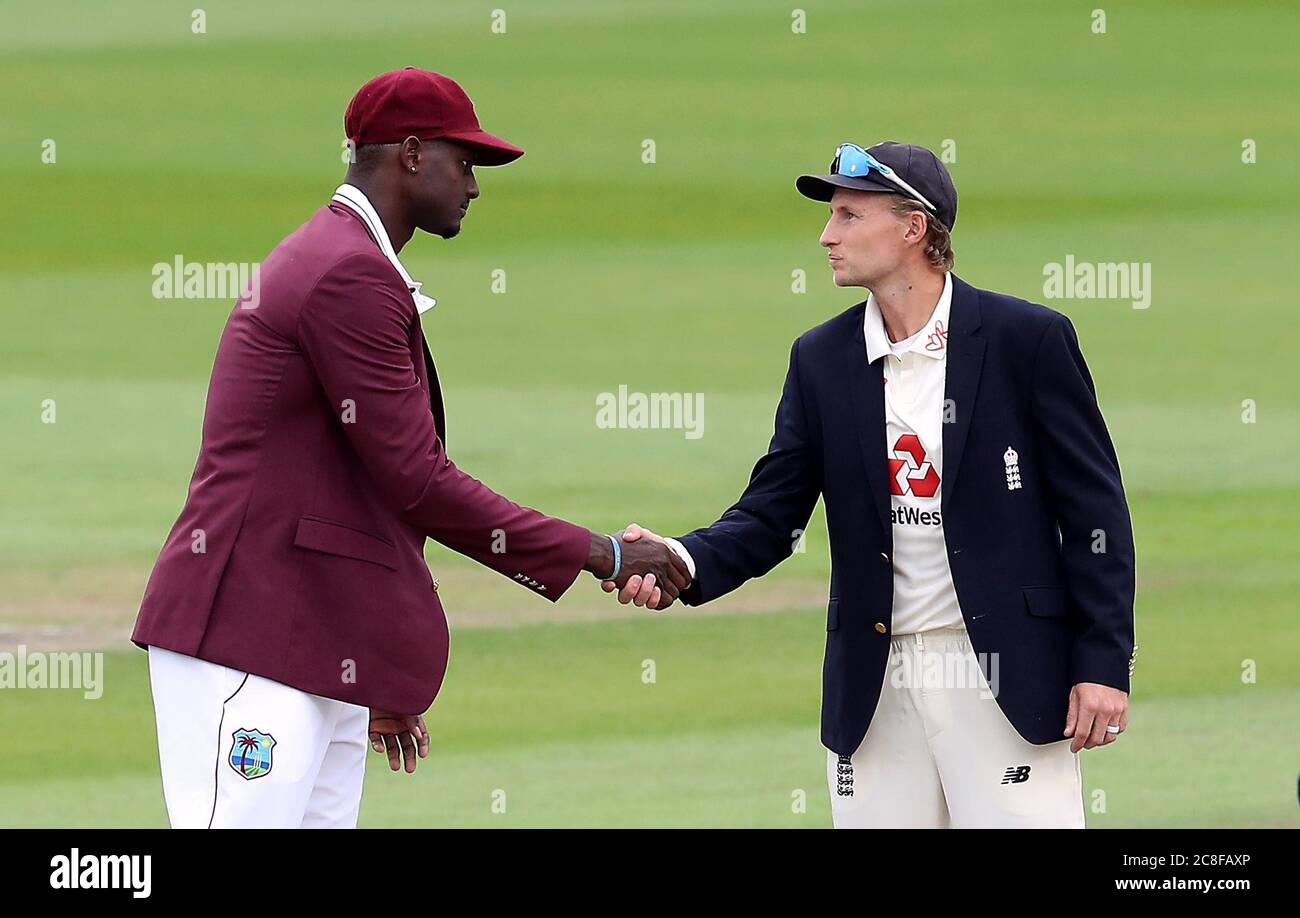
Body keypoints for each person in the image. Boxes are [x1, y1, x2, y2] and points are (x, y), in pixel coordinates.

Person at [133, 67, 689, 828]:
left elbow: (351, 499)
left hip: (304, 646)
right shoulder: (346, 274)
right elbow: (418, 481)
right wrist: (608, 556)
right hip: (248, 641)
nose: (475, 186)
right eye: (466, 163)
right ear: (413, 154)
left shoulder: (348, 260)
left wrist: (365, 658)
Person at [610, 141, 1136, 828]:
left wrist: (1103, 662)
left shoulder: (1026, 341)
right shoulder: (821, 359)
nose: (826, 235)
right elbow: (772, 515)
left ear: (914, 228)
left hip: (1003, 681)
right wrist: (680, 561)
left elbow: (1096, 514)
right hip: (876, 688)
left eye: (849, 216)